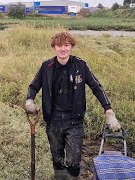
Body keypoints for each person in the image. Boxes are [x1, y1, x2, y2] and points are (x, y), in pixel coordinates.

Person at [25, 31, 121, 180]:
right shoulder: (46, 67)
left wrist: (109, 111)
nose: (63, 49)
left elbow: (97, 87)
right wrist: (29, 101)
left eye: (66, 45)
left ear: (71, 47)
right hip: (53, 120)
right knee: (57, 159)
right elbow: (33, 86)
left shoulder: (81, 66)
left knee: (73, 162)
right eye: (59, 45)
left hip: (74, 121)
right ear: (54, 47)